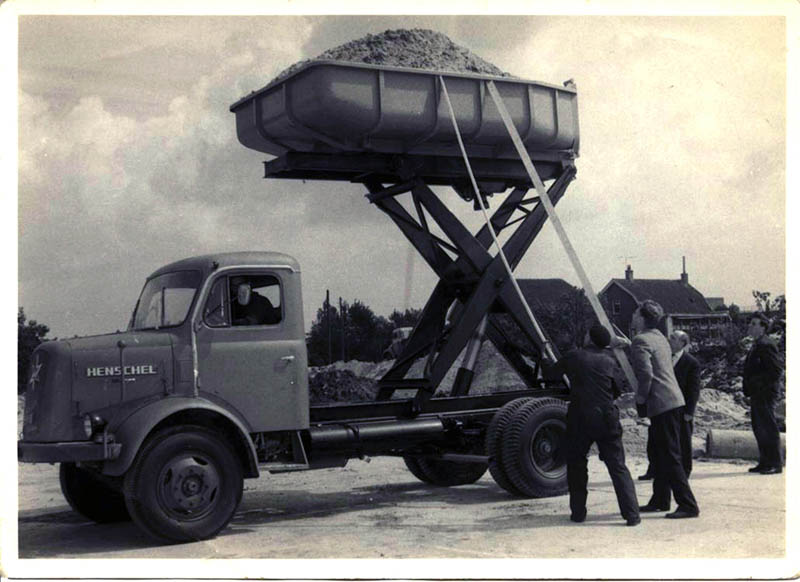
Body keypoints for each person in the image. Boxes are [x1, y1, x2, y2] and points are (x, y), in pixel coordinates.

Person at [550, 324, 640, 527]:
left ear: (589, 338)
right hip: (607, 417)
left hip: (580, 417)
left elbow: (551, 374)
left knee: (577, 465)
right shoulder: (610, 360)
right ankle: (632, 515)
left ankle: (578, 513)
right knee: (617, 466)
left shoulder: (574, 356)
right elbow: (616, 390)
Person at [631, 300, 699, 519]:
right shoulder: (659, 337)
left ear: (641, 318)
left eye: (635, 313)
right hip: (673, 402)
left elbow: (646, 376)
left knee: (669, 455)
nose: (633, 316)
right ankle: (660, 500)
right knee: (661, 454)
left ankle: (688, 505)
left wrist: (639, 400)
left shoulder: (641, 340)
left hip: (661, 404)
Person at [639, 330, 701, 479]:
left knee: (683, 441)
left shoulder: (691, 362)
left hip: (681, 408)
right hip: (662, 405)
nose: (669, 339)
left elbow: (693, 389)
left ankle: (685, 471)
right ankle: (653, 469)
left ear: (682, 343)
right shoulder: (663, 358)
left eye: (673, 338)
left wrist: (689, 412)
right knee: (655, 439)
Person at [743, 313, 784, 474]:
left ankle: (775, 463)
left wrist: (756, 383)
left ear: (763, 327)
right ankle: (765, 462)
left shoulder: (766, 345)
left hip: (765, 392)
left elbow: (776, 371)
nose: (750, 326)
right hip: (758, 392)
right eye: (750, 323)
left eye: (754, 324)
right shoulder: (758, 344)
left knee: (768, 427)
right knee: (759, 427)